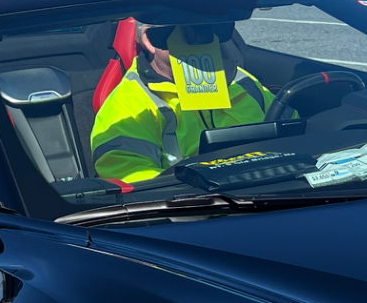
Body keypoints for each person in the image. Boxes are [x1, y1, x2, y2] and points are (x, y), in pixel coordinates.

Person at [89, 20, 277, 183]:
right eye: (185, 31)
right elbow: (131, 178)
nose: (198, 39)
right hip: (190, 212)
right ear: (150, 39)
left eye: (206, 29)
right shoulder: (127, 103)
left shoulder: (243, 82)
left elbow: (295, 133)